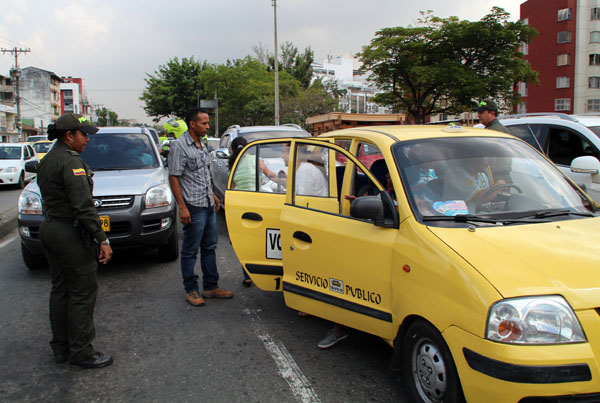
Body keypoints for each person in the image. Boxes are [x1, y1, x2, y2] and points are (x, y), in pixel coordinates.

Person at [37, 113, 113, 370]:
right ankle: (81, 351)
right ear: (69, 136)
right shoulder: (71, 162)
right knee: (82, 292)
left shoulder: (48, 159)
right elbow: (83, 207)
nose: (88, 140)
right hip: (69, 233)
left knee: (60, 289)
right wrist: (102, 239)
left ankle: (61, 348)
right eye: (84, 135)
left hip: (50, 227)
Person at [168, 107, 233, 306]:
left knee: (209, 247)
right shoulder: (180, 146)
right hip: (193, 206)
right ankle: (191, 289)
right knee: (190, 250)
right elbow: (174, 177)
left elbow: (203, 173)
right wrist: (182, 207)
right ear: (192, 124)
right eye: (204, 123)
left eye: (207, 123)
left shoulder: (202, 143)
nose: (208, 126)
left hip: (207, 204)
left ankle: (211, 287)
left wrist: (212, 194)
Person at [228, 136, 280, 286]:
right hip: (255, 202)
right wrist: (287, 183)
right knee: (258, 238)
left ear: (232, 150)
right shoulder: (256, 160)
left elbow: (232, 186)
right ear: (247, 148)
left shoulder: (234, 164)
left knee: (241, 241)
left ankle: (247, 275)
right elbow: (271, 175)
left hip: (238, 205)